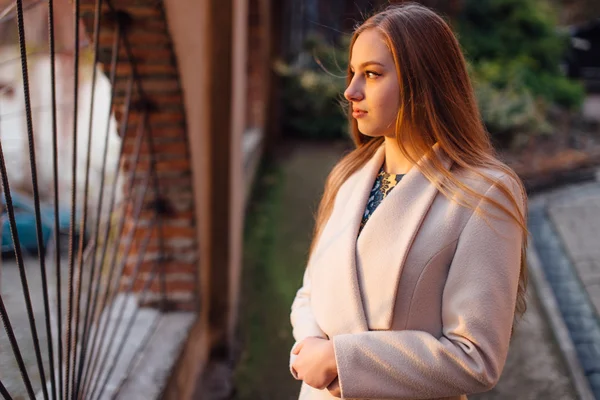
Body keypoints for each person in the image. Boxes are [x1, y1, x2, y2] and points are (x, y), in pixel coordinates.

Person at [288, 3, 529, 400]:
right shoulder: (347, 178)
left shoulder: (484, 193)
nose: (351, 91)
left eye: (372, 74)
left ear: (423, 80)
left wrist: (339, 358)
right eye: (352, 74)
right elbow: (309, 293)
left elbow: (476, 357)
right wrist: (310, 346)